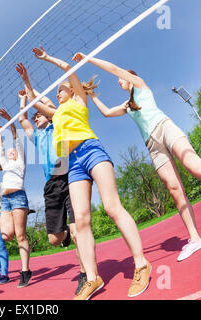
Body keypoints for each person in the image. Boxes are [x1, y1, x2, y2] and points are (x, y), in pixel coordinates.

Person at [71, 52, 201, 253]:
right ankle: (194, 238)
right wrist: (91, 95)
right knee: (173, 188)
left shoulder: (140, 84)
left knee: (193, 165)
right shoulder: (128, 105)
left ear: (129, 76)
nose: (118, 81)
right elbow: (107, 113)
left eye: (120, 79)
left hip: (164, 127)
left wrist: (87, 59)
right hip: (152, 144)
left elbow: (114, 69)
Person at [28, 46, 151, 300]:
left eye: (60, 88)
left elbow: (68, 69)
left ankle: (141, 264)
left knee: (111, 206)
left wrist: (47, 58)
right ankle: (93, 278)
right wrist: (27, 81)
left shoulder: (79, 101)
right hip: (72, 162)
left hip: (91, 150)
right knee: (81, 220)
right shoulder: (56, 112)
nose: (57, 91)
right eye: (57, 90)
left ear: (72, 90)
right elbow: (34, 103)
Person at [14, 72, 87, 294]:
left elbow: (45, 102)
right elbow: (22, 120)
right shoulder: (37, 136)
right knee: (54, 239)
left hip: (69, 177)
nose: (36, 118)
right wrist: (22, 100)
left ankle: (84, 274)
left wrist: (28, 82)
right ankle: (65, 233)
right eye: (35, 116)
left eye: (39, 115)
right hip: (50, 186)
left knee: (77, 232)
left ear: (47, 116)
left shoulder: (57, 123)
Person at [0, 108, 32, 288]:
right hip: (5, 200)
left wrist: (9, 120)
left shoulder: (20, 162)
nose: (10, 152)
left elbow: (16, 137)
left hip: (18, 197)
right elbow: (0, 149)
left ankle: (25, 271)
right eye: (9, 152)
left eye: (13, 151)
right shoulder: (5, 163)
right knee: (5, 235)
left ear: (17, 154)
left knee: (20, 235)